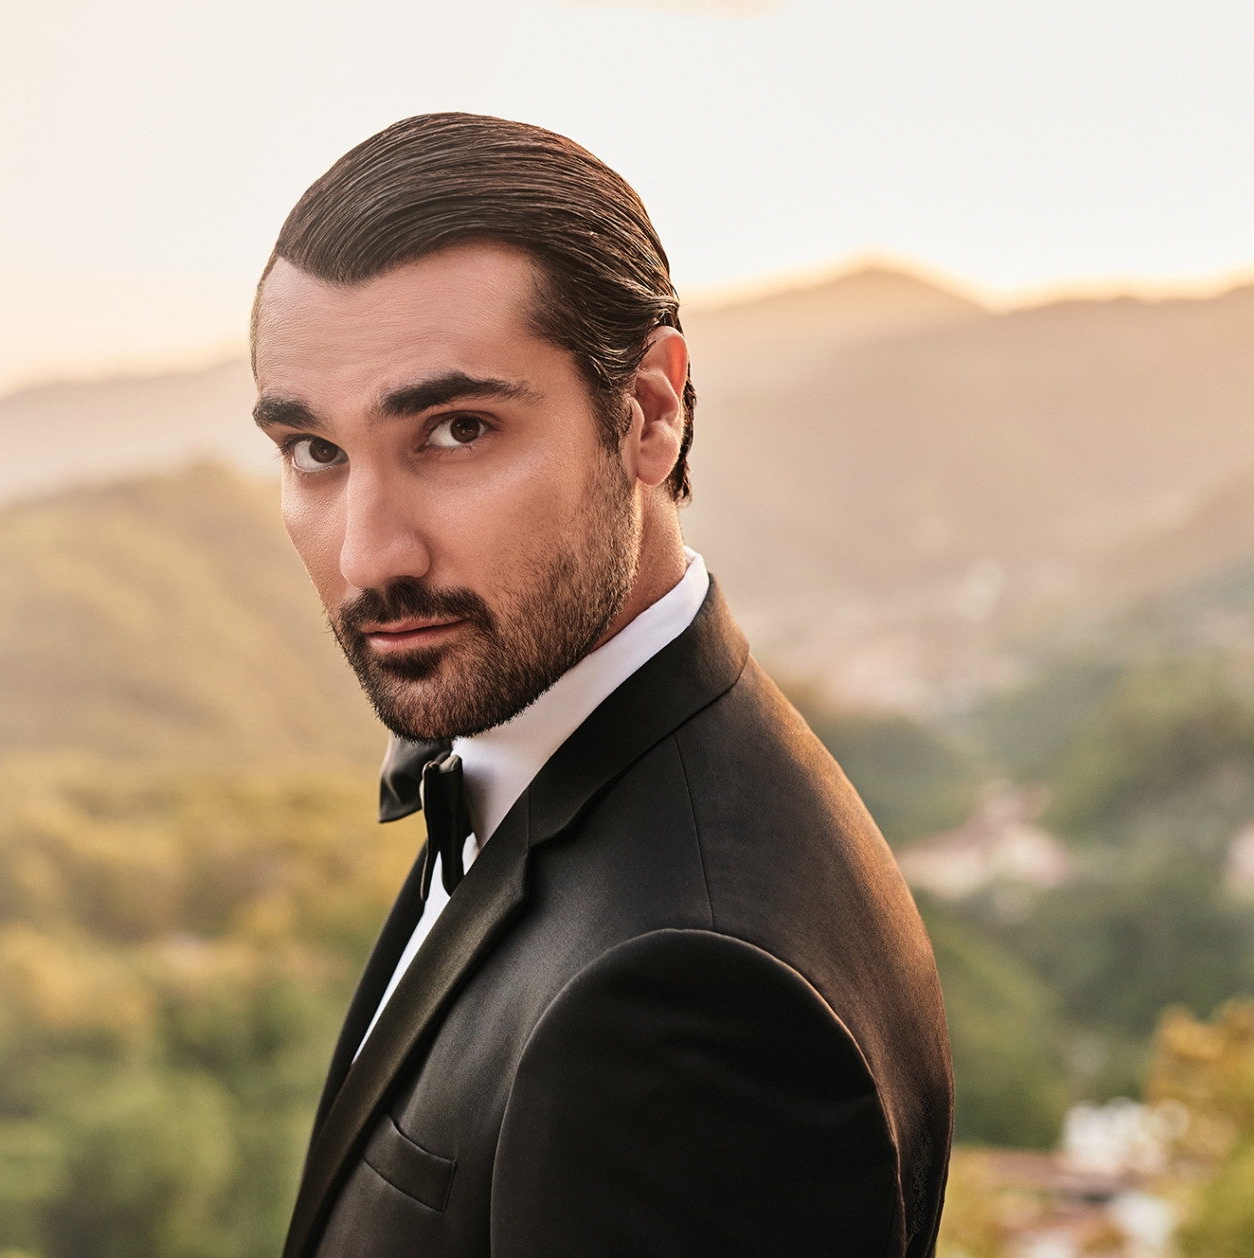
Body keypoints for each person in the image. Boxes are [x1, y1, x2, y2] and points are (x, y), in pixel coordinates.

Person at [249, 113, 954, 1258]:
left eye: (456, 429)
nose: (368, 555)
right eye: (314, 453)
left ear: (647, 414)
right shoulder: (556, 764)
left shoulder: (692, 1000)